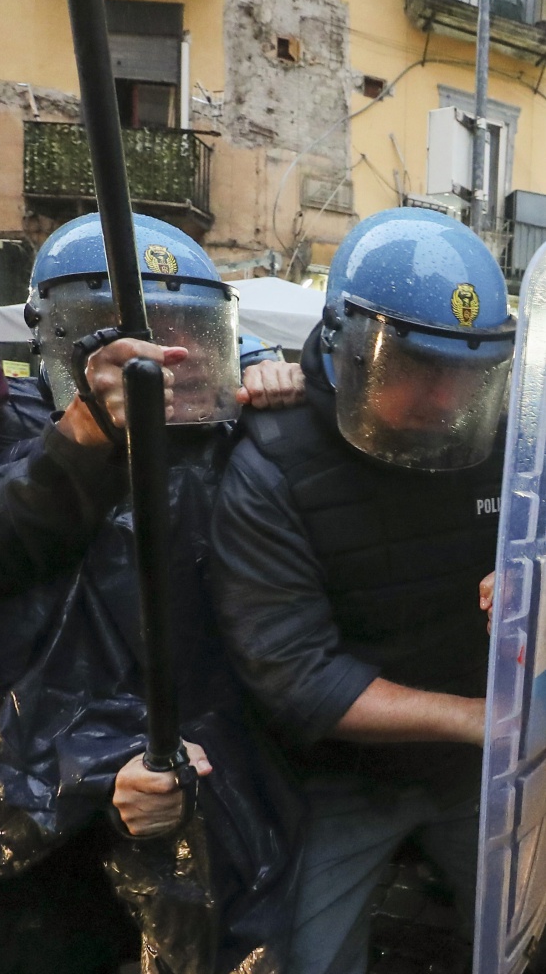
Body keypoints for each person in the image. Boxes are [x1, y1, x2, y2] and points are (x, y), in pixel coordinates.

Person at [0, 212, 304, 974]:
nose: (169, 358)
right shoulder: (33, 432)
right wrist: (99, 767)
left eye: (188, 333)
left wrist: (269, 367)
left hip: (208, 803)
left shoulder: (231, 448)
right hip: (45, 846)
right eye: (136, 338)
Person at [210, 207, 516, 974]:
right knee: (304, 960)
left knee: (524, 933)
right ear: (348, 349)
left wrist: (528, 575)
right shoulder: (272, 465)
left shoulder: (501, 437)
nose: (447, 402)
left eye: (468, 374)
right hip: (342, 776)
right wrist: (483, 721)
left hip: (480, 766)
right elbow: (297, 678)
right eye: (415, 369)